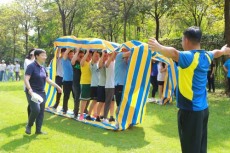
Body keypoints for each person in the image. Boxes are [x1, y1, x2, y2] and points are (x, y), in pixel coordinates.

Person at [148, 26, 230, 153]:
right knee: (200, 148)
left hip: (190, 112)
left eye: (182, 40)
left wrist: (159, 47)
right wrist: (223, 51)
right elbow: (216, 52)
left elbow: (174, 53)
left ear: (186, 40)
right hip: (203, 110)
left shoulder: (188, 57)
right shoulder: (206, 56)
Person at [24, 49, 62, 134]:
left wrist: (57, 86)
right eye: (43, 55)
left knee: (41, 112)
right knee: (36, 109)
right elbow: (26, 79)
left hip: (41, 93)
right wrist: (30, 90)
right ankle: (29, 125)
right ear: (37, 56)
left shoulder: (43, 68)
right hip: (32, 92)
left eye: (45, 55)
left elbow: (47, 80)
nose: (45, 57)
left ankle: (38, 130)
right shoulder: (31, 66)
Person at [85, 51, 100, 120]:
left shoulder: (98, 64)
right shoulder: (92, 64)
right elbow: (93, 59)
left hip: (99, 85)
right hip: (94, 85)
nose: (97, 57)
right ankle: (88, 115)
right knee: (94, 101)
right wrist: (95, 50)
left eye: (98, 56)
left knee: (97, 101)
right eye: (96, 56)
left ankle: (96, 114)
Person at [79, 49, 92, 120]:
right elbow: (81, 62)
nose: (89, 57)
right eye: (88, 56)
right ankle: (81, 114)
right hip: (85, 83)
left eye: (90, 56)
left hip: (91, 83)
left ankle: (89, 113)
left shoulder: (90, 63)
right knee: (84, 100)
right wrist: (87, 52)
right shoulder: (83, 63)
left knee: (89, 99)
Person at [103, 51, 116, 123]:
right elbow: (107, 65)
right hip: (109, 86)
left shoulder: (115, 62)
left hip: (114, 85)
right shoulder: (107, 62)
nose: (114, 56)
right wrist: (112, 54)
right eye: (112, 54)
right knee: (108, 102)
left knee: (113, 102)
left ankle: (111, 116)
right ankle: (105, 117)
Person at [71, 48, 85, 118]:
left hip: (83, 82)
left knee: (85, 98)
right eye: (80, 56)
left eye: (83, 56)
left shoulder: (84, 63)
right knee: (77, 98)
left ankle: (83, 110)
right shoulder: (75, 63)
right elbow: (73, 60)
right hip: (76, 83)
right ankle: (75, 113)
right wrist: (77, 51)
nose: (81, 58)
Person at [95, 51, 108, 122]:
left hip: (108, 85)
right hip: (101, 85)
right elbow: (99, 65)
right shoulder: (101, 64)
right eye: (104, 56)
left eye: (107, 56)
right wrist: (103, 55)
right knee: (101, 102)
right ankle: (97, 116)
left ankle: (103, 115)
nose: (106, 57)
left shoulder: (109, 64)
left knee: (106, 102)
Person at [62, 48, 75, 114]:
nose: (72, 55)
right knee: (66, 95)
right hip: (66, 81)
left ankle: (75, 110)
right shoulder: (65, 60)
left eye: (73, 54)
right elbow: (64, 55)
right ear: (68, 55)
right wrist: (69, 46)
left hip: (74, 81)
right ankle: (64, 109)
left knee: (75, 96)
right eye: (70, 54)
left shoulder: (74, 61)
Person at [24, 49, 35, 118]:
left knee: (34, 102)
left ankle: (32, 118)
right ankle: (30, 118)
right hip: (28, 85)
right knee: (31, 103)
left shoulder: (36, 62)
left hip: (36, 85)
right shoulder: (27, 61)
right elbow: (29, 66)